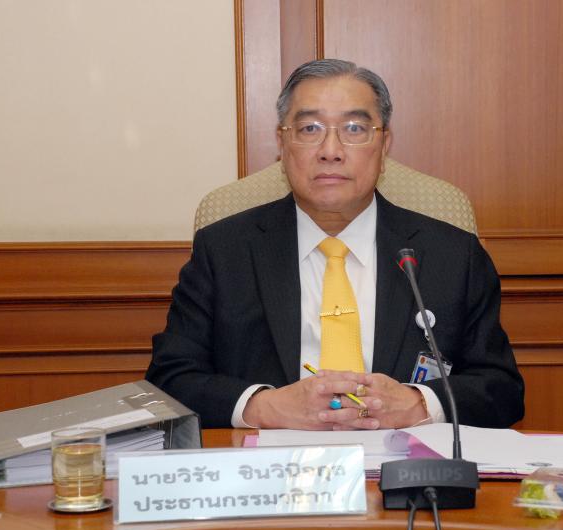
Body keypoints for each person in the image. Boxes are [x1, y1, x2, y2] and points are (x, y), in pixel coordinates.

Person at [146, 59, 524, 431]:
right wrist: (265, 407)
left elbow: (501, 389)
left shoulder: (452, 255)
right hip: (271, 463)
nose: (331, 150)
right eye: (309, 128)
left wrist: (416, 403)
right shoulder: (224, 250)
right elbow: (170, 379)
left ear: (384, 144)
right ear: (282, 143)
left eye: (354, 128)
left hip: (404, 464)